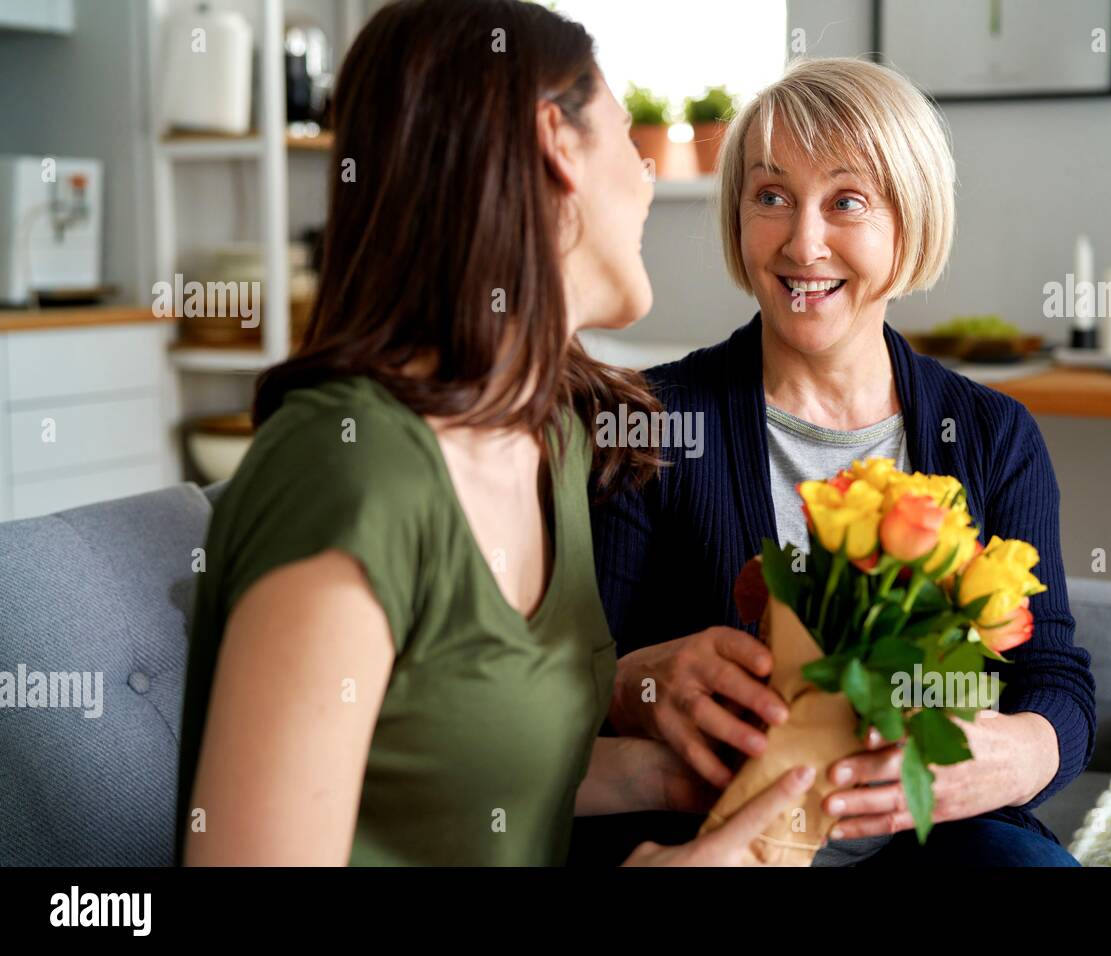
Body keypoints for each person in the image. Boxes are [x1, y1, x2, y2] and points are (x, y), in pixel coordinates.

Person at [175, 0, 813, 867]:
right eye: (630, 139)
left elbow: (458, 774)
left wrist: (677, 781)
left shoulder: (553, 437)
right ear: (557, 139)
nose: (650, 176)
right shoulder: (348, 475)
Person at [571, 57, 1096, 867]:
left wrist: (1026, 750)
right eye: (771, 197)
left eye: (847, 201)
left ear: (911, 222)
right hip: (717, 838)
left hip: (938, 841)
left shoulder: (994, 433)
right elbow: (565, 681)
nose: (802, 241)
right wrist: (635, 682)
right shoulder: (648, 421)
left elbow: (1052, 671)